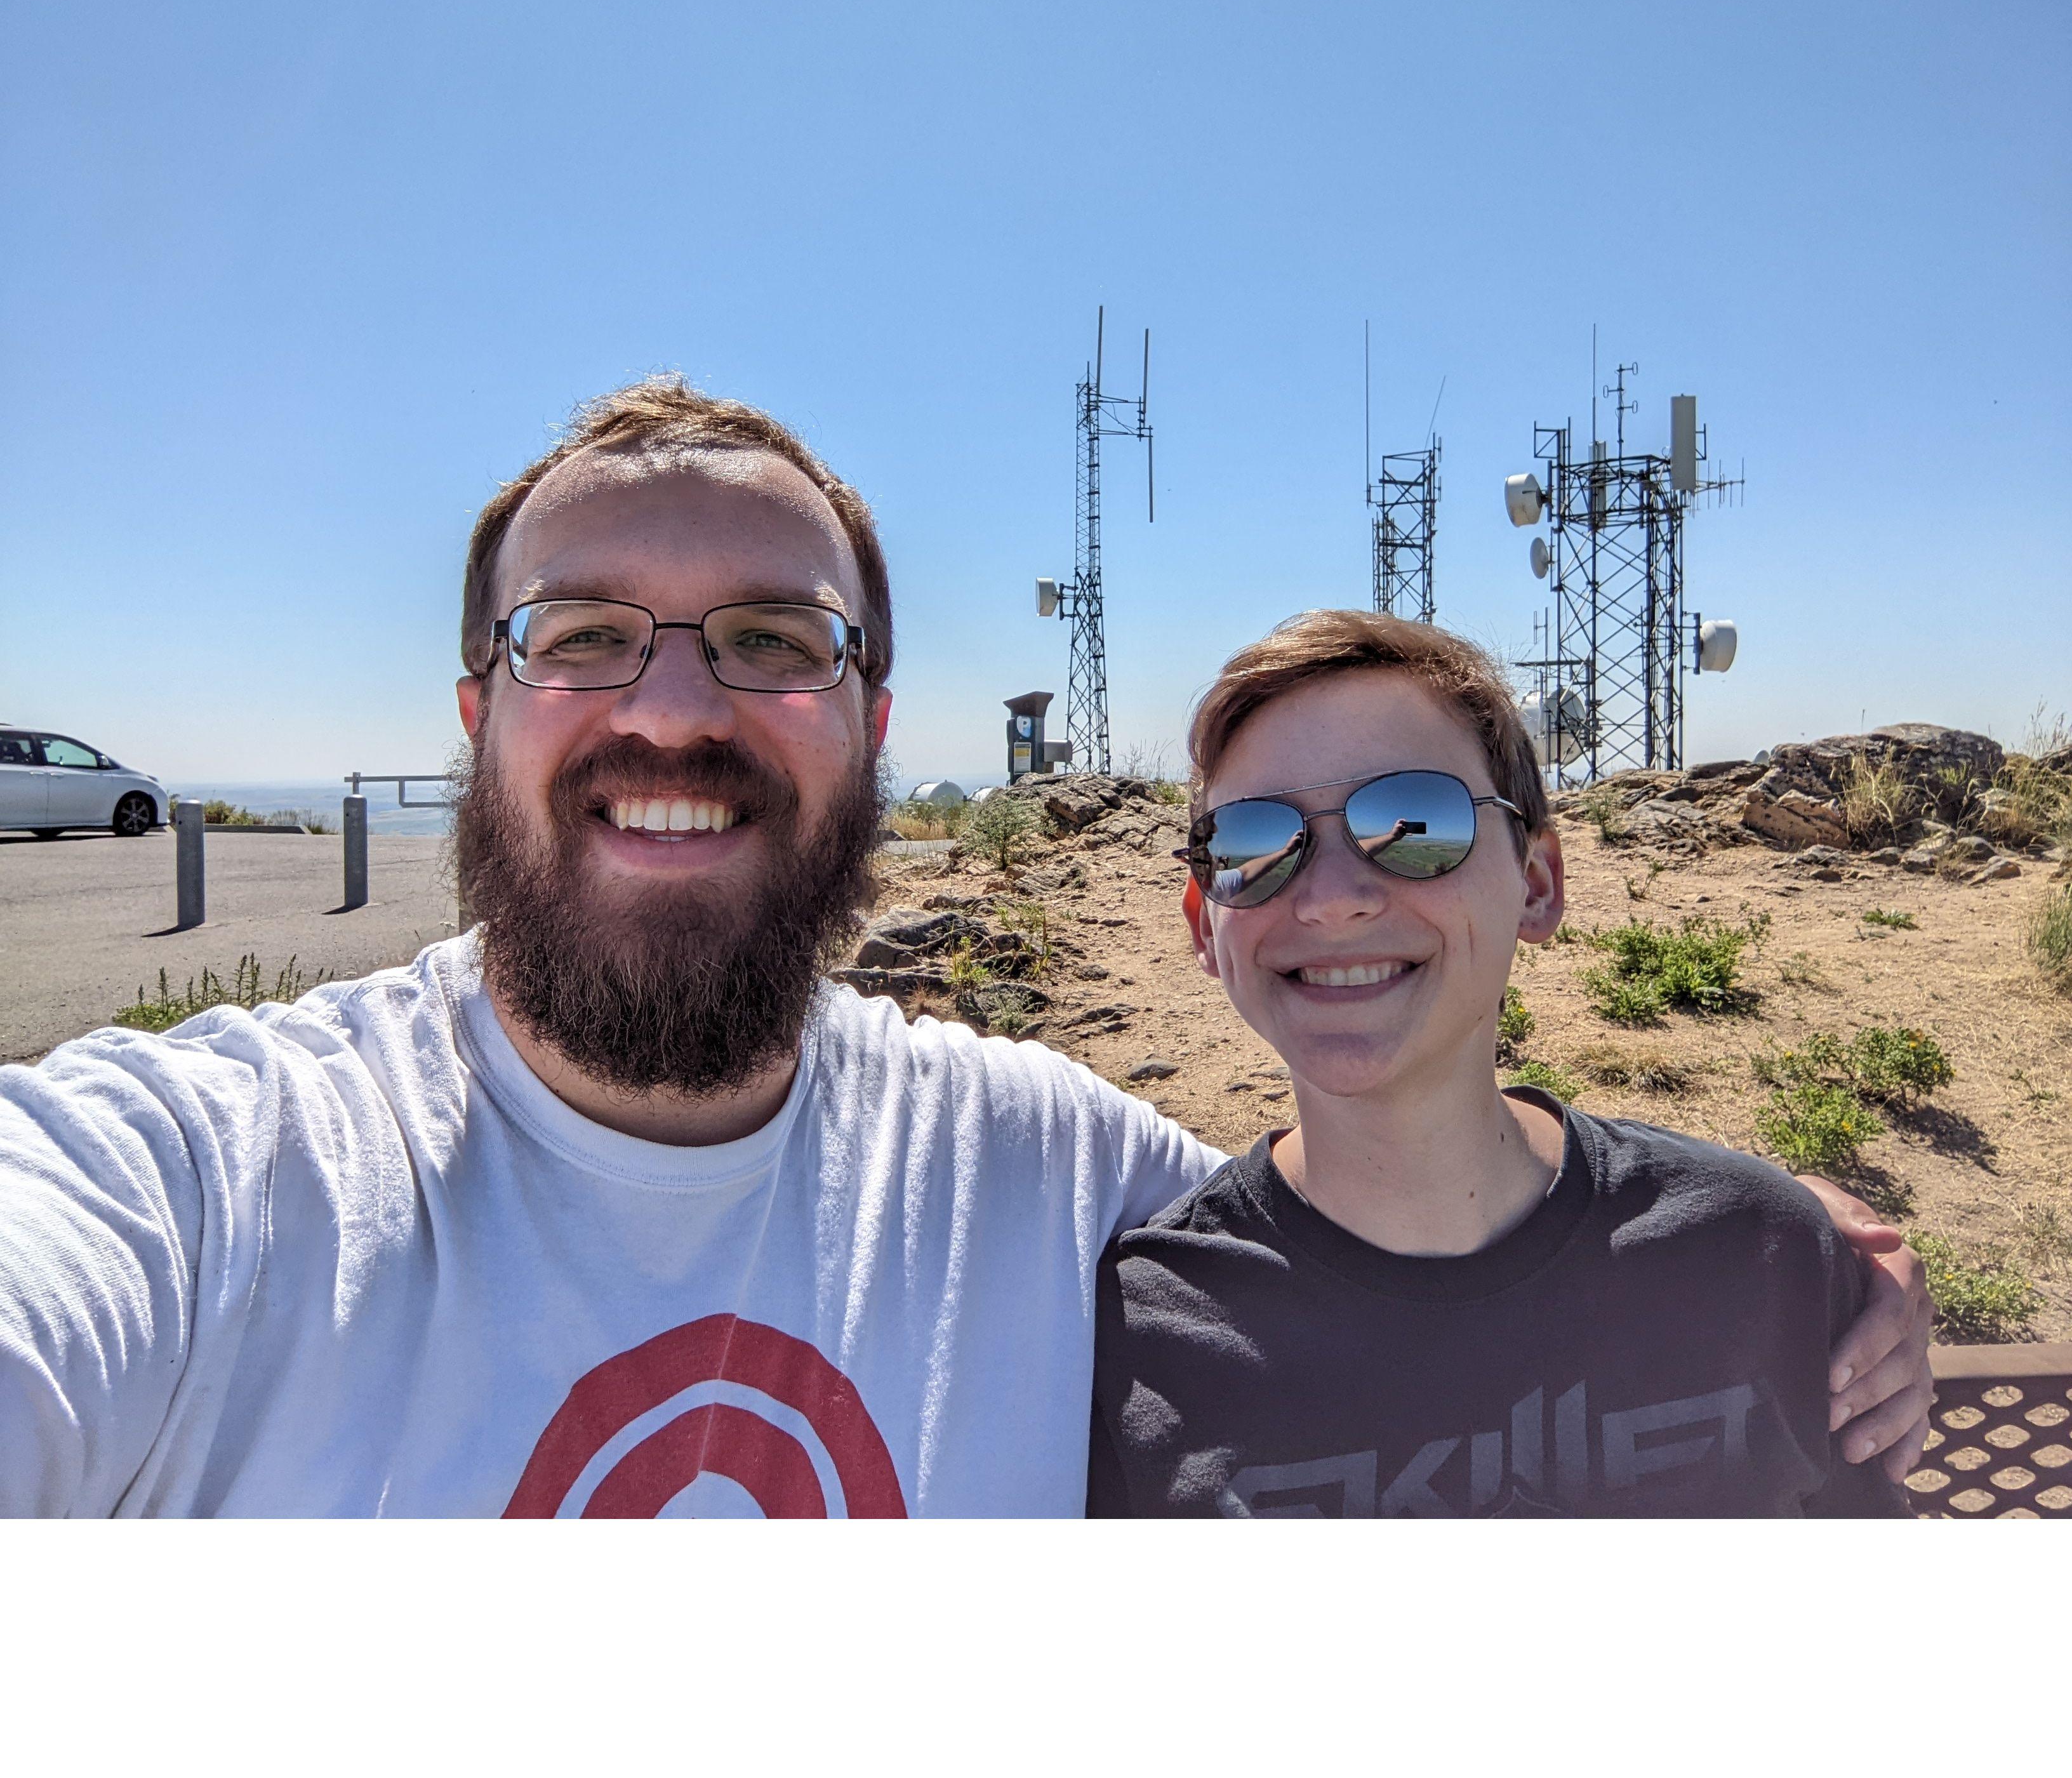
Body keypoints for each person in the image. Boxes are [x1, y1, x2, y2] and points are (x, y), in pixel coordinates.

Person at [0, 380, 1929, 1515]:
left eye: (774, 640)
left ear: (877, 724)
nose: (671, 708)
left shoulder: (1040, 1173)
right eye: (578, 633)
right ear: (473, 710)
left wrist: (1782, 1244)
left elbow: (1415, 1199)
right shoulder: (198, 1181)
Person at [1089, 611, 1919, 1517]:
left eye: (1417, 823)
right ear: (1203, 925)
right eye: (1254, 843)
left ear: (1536, 882)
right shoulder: (1139, 1335)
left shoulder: (1759, 1256)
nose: (1332, 900)